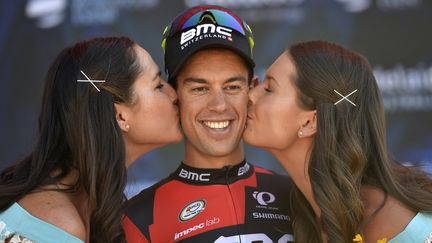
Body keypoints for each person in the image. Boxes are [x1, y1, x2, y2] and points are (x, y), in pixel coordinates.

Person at [123, 5, 295, 243]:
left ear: (252, 90)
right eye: (200, 89)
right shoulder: (138, 218)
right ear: (175, 95)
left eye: (232, 87)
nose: (219, 105)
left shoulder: (298, 197)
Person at [243, 40, 432, 243]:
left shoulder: (400, 227)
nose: (251, 94)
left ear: (310, 121)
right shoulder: (303, 212)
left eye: (269, 88)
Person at [0, 37, 182, 243]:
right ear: (120, 116)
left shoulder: (85, 209)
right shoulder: (57, 224)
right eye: (158, 86)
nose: (174, 94)